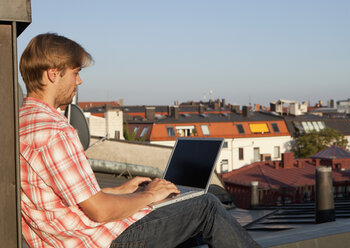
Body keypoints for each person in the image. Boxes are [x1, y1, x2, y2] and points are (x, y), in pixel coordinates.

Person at [19, 33, 261, 248]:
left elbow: (64, 198)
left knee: (188, 226)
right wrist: (149, 196)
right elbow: (101, 212)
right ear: (53, 74)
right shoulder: (55, 131)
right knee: (205, 207)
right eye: (75, 73)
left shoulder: (22, 121)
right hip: (95, 239)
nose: (79, 82)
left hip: (68, 235)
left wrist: (120, 192)